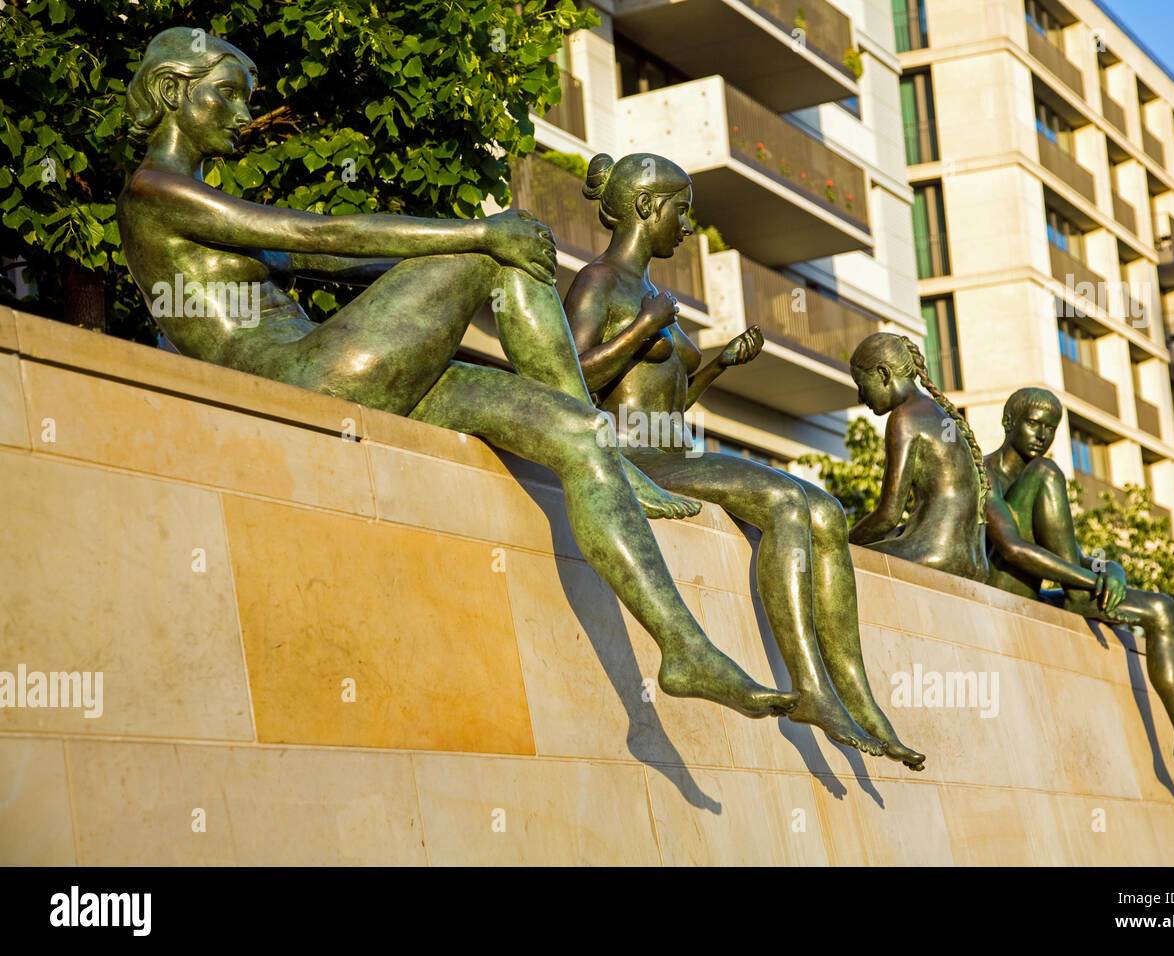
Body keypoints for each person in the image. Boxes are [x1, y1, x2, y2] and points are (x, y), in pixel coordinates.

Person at [115, 28, 799, 721]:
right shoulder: (154, 190)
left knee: (573, 432)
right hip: (296, 382)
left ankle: (684, 649)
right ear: (173, 90)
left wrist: (470, 255)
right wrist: (475, 236)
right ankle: (611, 446)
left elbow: (348, 264)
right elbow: (313, 235)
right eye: (226, 95)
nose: (242, 116)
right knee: (491, 255)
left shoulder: (200, 199)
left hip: (344, 369)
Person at [562, 152, 925, 768]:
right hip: (631, 455)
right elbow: (565, 378)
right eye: (681, 211)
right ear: (649, 207)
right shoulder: (600, 282)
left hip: (672, 446)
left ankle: (857, 695)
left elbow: (668, 399)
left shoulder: (652, 291)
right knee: (784, 500)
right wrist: (640, 330)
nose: (686, 225)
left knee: (828, 511)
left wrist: (719, 365)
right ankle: (811, 689)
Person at [984, 387, 1174, 779]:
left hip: (1047, 591)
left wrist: (1110, 568)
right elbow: (1012, 549)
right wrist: (1086, 580)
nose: (1042, 435)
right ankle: (1082, 599)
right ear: (1009, 423)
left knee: (1162, 608)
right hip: (1002, 586)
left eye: (1051, 427)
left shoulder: (1038, 476)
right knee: (1047, 471)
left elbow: (1068, 551)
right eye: (1033, 423)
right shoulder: (986, 472)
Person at [848, 333, 990, 583]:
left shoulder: (905, 418)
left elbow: (888, 516)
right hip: (974, 561)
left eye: (862, 386)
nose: (861, 398)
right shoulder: (937, 413)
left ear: (883, 374)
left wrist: (842, 541)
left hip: (935, 553)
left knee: (831, 558)